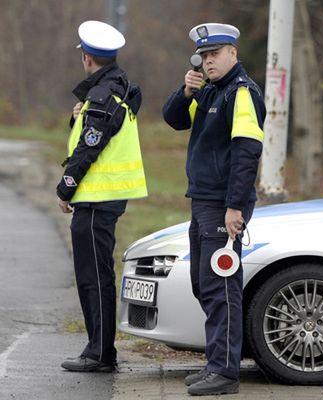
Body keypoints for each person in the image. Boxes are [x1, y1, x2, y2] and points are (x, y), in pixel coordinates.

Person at [162, 23, 265, 396]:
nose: (208, 62)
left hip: (224, 203)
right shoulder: (209, 91)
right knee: (204, 285)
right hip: (203, 199)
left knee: (221, 287)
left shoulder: (240, 93)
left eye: (215, 55)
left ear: (233, 54)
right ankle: (215, 363)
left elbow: (247, 151)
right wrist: (185, 89)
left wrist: (235, 205)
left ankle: (224, 372)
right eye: (204, 57)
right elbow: (174, 119)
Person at [58, 20, 147, 372]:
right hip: (106, 197)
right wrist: (76, 116)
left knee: (93, 277)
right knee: (98, 274)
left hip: (96, 198)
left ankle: (99, 353)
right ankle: (99, 349)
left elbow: (89, 146)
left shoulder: (101, 95)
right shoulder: (121, 87)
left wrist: (66, 185)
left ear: (87, 59)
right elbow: (96, 131)